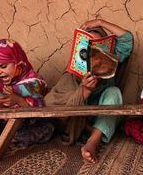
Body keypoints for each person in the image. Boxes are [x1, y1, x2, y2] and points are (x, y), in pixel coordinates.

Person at [44, 19, 134, 163]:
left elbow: (127, 40)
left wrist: (101, 22)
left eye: (98, 49)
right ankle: (92, 132)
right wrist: (84, 90)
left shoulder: (110, 62)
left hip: (101, 119)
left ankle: (93, 142)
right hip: (79, 124)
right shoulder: (71, 75)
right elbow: (51, 105)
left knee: (114, 92)